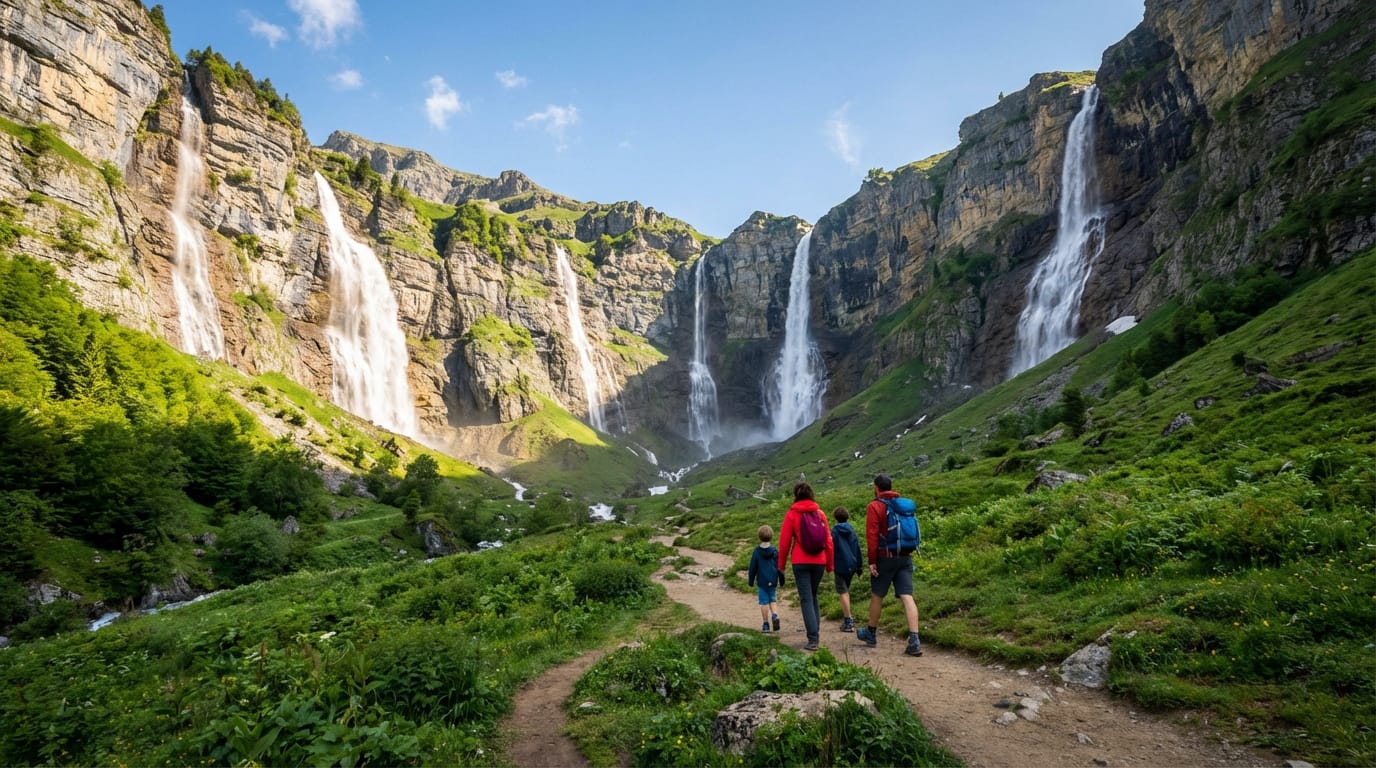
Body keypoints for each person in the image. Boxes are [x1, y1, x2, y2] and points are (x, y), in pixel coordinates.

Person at [856, 474, 923, 656]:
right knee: (907, 595)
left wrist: (872, 561)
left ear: (876, 488)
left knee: (877, 595)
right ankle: (915, 639)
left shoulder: (875, 506)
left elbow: (872, 536)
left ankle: (871, 633)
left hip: (885, 557)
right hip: (905, 556)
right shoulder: (902, 505)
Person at [778, 481, 833, 651]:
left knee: (806, 598)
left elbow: (785, 542)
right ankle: (815, 633)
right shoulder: (820, 513)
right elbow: (829, 541)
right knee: (813, 596)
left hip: (800, 562)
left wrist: (781, 566)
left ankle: (813, 639)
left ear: (796, 495)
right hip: (819, 561)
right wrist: (830, 564)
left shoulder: (792, 514)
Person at [830, 506, 863, 632]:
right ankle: (848, 617)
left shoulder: (834, 531)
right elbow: (857, 549)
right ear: (847, 517)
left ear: (835, 518)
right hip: (852, 565)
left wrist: (829, 564)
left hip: (840, 565)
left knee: (842, 592)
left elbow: (830, 548)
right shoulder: (852, 530)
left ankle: (848, 620)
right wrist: (859, 568)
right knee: (846, 591)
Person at [746, 524, 783, 632]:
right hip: (773, 580)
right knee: (772, 600)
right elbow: (779, 567)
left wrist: (751, 580)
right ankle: (775, 616)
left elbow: (753, 567)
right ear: (771, 536)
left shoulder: (757, 551)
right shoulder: (775, 551)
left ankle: (766, 624)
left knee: (763, 602)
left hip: (762, 581)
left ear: (759, 536)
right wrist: (781, 579)